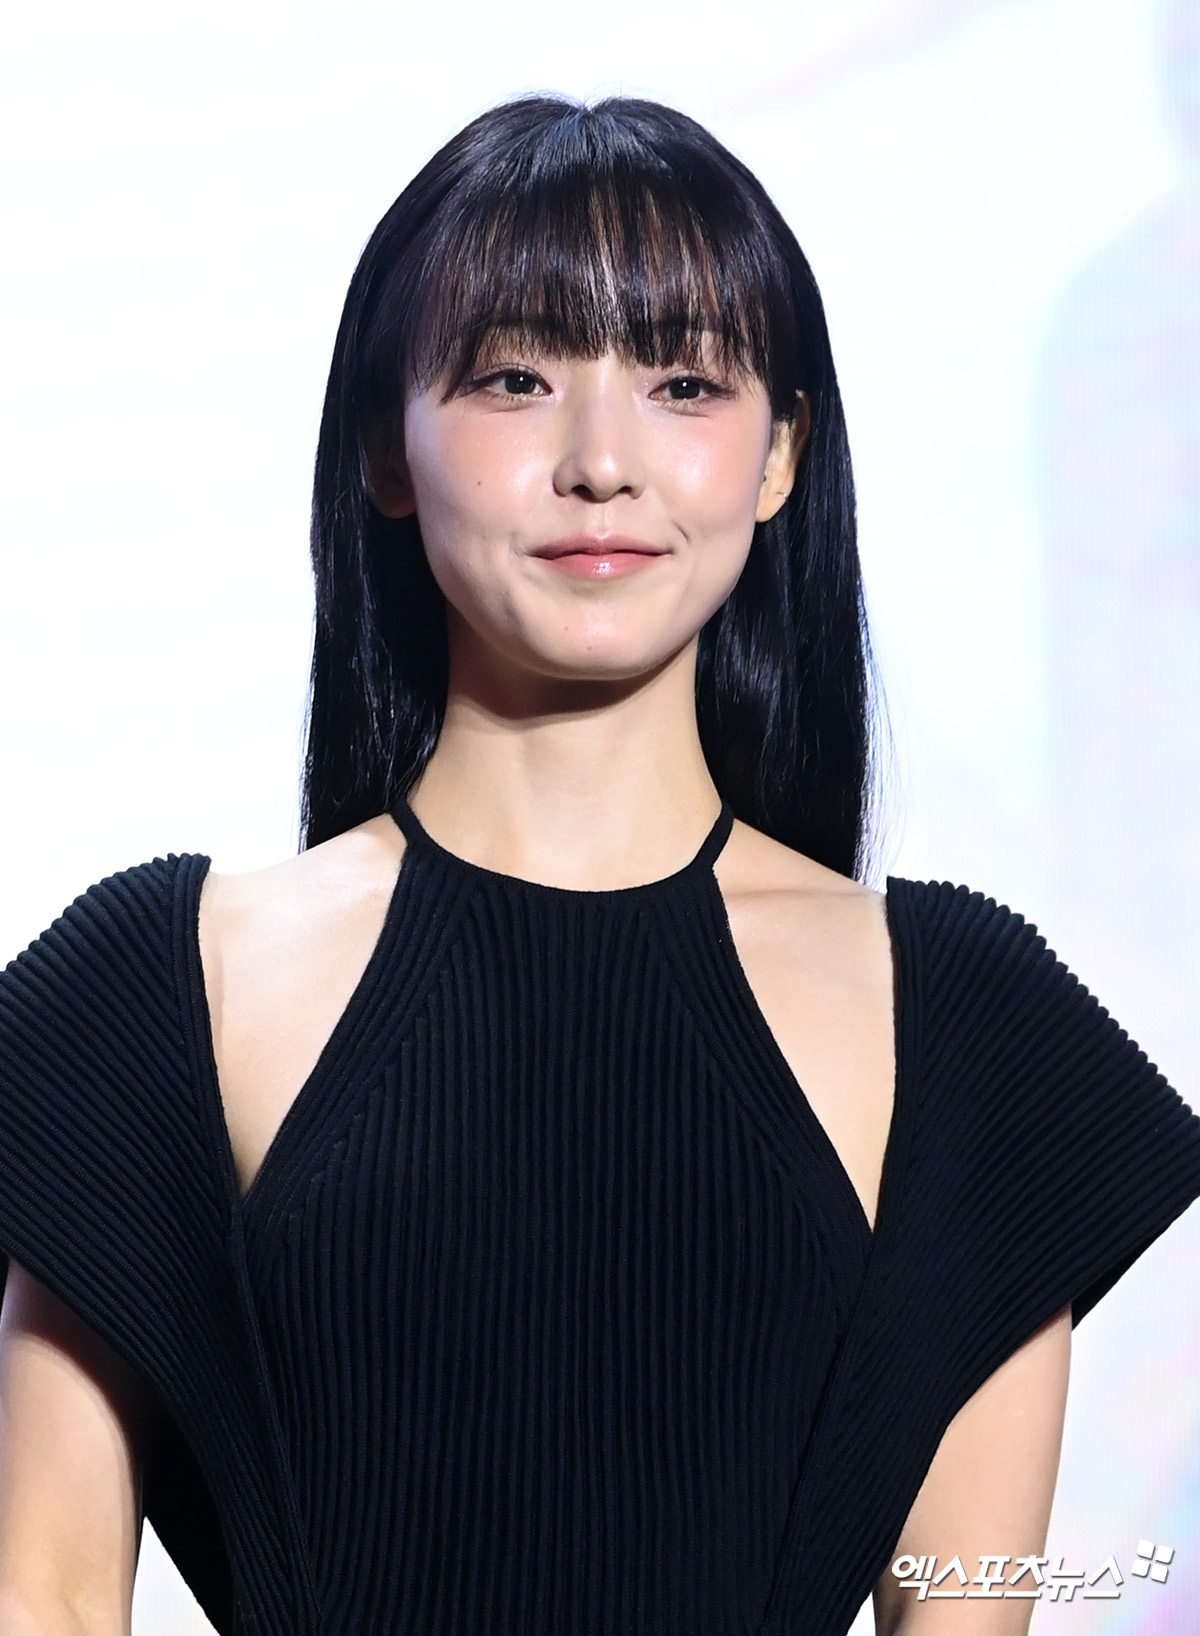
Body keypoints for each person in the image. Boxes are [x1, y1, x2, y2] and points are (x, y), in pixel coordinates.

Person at [0, 94, 1197, 1636]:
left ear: (779, 457)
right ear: (382, 445)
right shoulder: (151, 996)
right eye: (517, 377)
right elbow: (44, 1596)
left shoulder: (972, 1030)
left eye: (684, 382)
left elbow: (969, 1609)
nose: (603, 461)